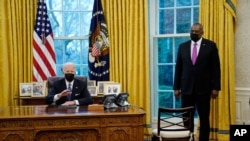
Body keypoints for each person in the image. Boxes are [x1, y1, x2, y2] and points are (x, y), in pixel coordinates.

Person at [173, 23, 221, 141]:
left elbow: (216, 68)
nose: (193, 33)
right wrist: (176, 87)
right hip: (186, 88)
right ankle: (188, 138)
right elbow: (178, 68)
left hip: (204, 89)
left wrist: (216, 88)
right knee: (186, 117)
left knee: (204, 118)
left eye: (196, 32)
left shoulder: (210, 46)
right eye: (192, 31)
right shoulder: (182, 46)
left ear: (202, 32)